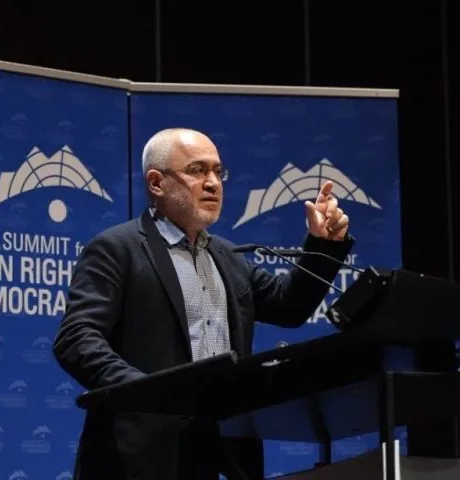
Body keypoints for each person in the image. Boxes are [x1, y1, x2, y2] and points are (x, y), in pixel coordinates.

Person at [52, 127, 354, 480]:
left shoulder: (228, 256)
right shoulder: (117, 249)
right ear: (156, 183)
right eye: (197, 170)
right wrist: (146, 392)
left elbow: (289, 307)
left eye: (217, 171)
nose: (212, 183)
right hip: (144, 454)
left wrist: (323, 244)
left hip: (226, 453)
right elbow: (76, 338)